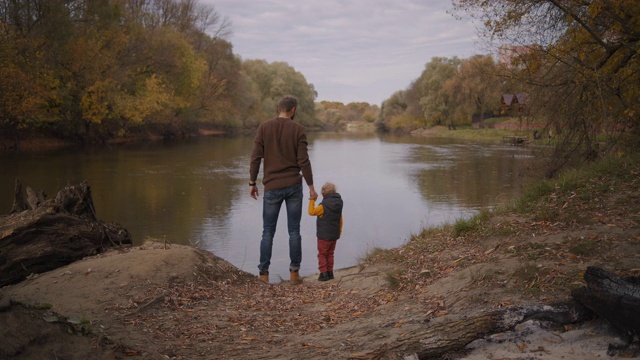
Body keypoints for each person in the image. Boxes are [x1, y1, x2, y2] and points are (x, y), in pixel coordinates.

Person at [249, 95, 317, 285]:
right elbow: (304, 161)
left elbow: (255, 157)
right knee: (294, 231)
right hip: (294, 186)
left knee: (267, 232)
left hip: (272, 186)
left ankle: (263, 275)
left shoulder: (264, 127)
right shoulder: (298, 129)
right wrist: (311, 187)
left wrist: (252, 182)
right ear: (293, 109)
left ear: (278, 108)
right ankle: (294, 275)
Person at [308, 182, 343, 281]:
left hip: (324, 236)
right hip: (334, 235)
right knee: (330, 253)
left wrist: (312, 200)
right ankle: (330, 273)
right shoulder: (339, 203)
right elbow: (340, 219)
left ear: (323, 192)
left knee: (322, 254)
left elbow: (311, 212)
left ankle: (323, 274)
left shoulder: (323, 206)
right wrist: (339, 231)